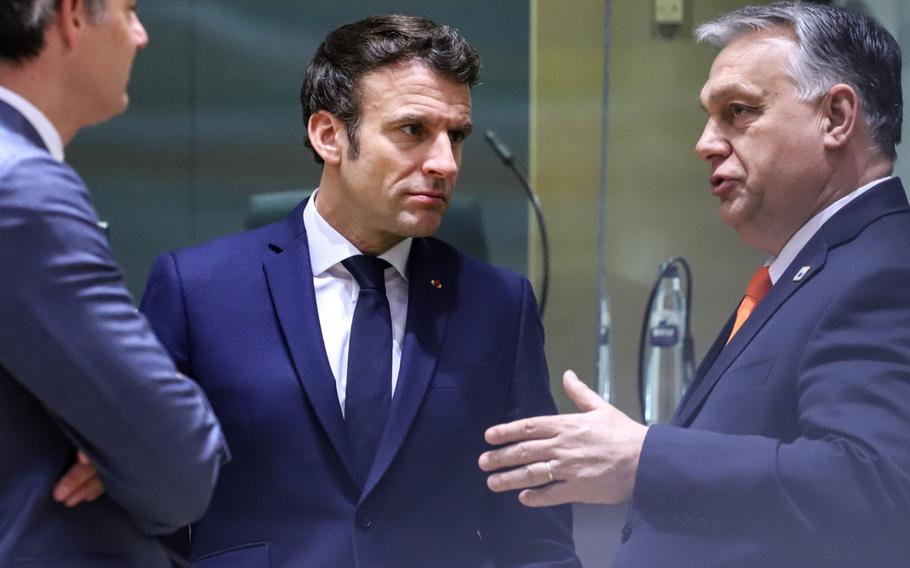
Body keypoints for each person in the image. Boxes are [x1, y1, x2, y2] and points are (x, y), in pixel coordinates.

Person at [139, 14, 579, 567]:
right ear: (329, 135)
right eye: (413, 130)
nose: (444, 162)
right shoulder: (196, 291)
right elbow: (143, 502)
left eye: (457, 135)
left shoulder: (498, 305)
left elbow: (532, 523)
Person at [479, 2, 910, 566]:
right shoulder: (815, 268)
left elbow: (874, 489)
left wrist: (643, 460)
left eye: (738, 112)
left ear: (836, 117)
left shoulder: (884, 270)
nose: (705, 143)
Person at [0, 0, 228, 566]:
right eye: (129, 11)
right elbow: (177, 460)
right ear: (73, 16)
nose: (142, 36)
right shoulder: (23, 192)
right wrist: (121, 443)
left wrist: (120, 438)